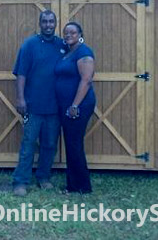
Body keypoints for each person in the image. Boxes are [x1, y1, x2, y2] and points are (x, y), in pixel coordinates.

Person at [12, 10, 65, 197]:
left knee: (50, 144)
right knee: (28, 145)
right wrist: (20, 99)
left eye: (51, 21)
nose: (48, 25)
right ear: (40, 23)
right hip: (33, 106)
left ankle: (43, 177)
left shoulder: (62, 45)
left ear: (56, 23)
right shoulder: (29, 45)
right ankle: (20, 182)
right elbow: (21, 74)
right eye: (45, 21)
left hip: (55, 107)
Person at [55, 22, 96, 194]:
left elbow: (86, 80)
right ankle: (75, 185)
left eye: (72, 32)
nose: (68, 35)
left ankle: (81, 187)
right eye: (65, 32)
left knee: (74, 144)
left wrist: (74, 105)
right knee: (72, 144)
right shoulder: (68, 52)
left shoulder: (83, 52)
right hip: (67, 105)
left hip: (78, 106)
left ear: (80, 33)